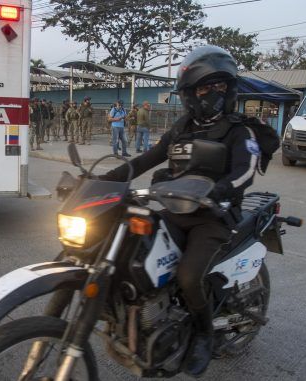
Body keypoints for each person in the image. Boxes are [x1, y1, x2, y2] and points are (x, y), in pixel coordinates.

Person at [101, 46, 259, 376]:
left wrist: (221, 190)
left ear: (228, 90)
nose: (209, 95)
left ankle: (202, 334)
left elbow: (246, 170)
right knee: (136, 254)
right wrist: (106, 179)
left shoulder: (239, 129)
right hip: (175, 210)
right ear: (188, 94)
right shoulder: (182, 127)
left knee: (188, 276)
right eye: (202, 88)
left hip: (213, 217)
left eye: (217, 87)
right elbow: (147, 158)